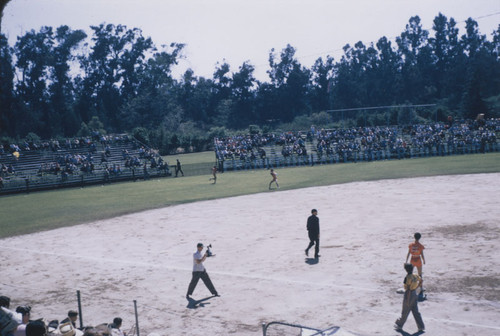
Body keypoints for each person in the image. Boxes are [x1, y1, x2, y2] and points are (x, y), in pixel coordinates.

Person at [394, 263, 425, 332]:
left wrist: (407, 300)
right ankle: (421, 326)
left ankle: (399, 325)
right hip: (414, 293)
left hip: (409, 294)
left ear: (406, 270)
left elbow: (407, 288)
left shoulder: (407, 277)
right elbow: (421, 280)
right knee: (415, 311)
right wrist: (417, 287)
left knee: (405, 311)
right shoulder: (415, 275)